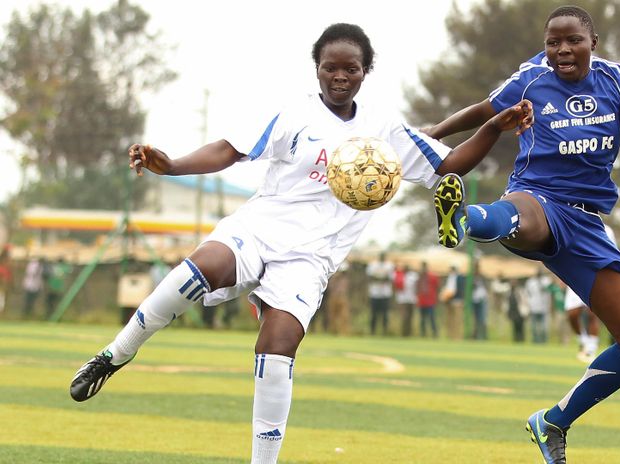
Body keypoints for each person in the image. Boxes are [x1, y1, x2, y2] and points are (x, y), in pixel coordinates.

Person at [68, 23, 533, 463]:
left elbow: (449, 164)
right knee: (200, 267)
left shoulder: (383, 128)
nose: (340, 76)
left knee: (279, 345)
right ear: (317, 68)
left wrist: (492, 128)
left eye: (351, 68)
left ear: (364, 72)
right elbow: (231, 150)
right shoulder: (294, 113)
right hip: (259, 228)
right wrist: (171, 166)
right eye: (331, 66)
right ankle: (117, 353)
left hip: (313, 258)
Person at [425, 6, 620, 462]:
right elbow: (483, 110)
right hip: (536, 196)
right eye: (553, 42)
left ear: (592, 41)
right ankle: (463, 219)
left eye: (572, 40)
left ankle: (553, 421)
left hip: (589, 224)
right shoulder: (531, 77)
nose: (561, 50)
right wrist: (431, 134)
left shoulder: (618, 80)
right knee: (520, 214)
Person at [565, 224, 617, 361]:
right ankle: (583, 340)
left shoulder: (607, 229)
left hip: (595, 274)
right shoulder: (573, 224)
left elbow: (612, 252)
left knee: (592, 312)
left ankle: (591, 349)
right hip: (575, 274)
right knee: (572, 313)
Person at [366, 252, 394, 336]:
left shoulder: (389, 265)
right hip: (374, 293)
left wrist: (378, 278)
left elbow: (390, 278)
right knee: (373, 314)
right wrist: (382, 278)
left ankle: (384, 332)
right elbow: (370, 277)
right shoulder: (373, 265)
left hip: (385, 293)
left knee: (385, 314)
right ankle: (372, 331)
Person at [525, 269, 552, 344]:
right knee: (534, 326)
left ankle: (543, 341)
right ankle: (535, 340)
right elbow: (528, 293)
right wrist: (528, 304)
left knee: (544, 326)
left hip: (544, 307)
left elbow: (548, 290)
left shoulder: (546, 280)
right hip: (534, 307)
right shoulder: (530, 282)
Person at [442, 265, 466, 340]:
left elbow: (460, 290)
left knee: (457, 320)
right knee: (450, 320)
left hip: (457, 301)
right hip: (448, 301)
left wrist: (452, 296)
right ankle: (450, 335)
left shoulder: (460, 278)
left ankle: (458, 337)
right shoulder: (448, 278)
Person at [417, 261, 439, 338]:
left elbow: (437, 287)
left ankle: (435, 333)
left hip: (430, 301)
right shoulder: (419, 277)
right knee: (422, 319)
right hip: (422, 301)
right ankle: (423, 334)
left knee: (432, 318)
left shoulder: (432, 276)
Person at [395, 264, 418, 337]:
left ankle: (409, 333)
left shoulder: (414, 275)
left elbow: (417, 286)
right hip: (402, 299)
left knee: (410, 316)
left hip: (412, 298)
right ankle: (403, 333)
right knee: (404, 316)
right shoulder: (400, 275)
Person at [470, 261, 488, 340]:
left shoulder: (482, 277)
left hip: (482, 299)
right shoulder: (471, 277)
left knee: (482, 318)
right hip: (474, 299)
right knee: (475, 319)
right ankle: (475, 336)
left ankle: (483, 336)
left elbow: (485, 288)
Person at [507, 278, 528, 342]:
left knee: (520, 326)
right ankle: (516, 339)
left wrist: (525, 310)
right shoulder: (509, 292)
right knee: (515, 326)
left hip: (519, 311)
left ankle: (521, 339)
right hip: (513, 311)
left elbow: (524, 300)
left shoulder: (519, 291)